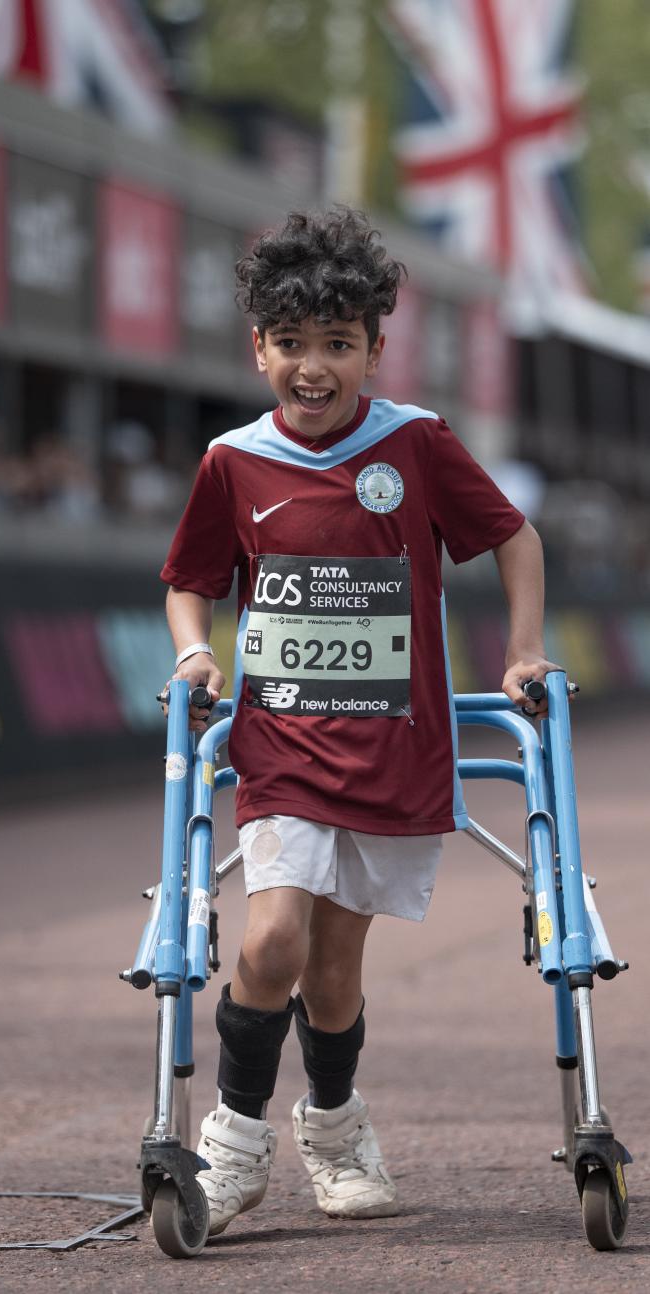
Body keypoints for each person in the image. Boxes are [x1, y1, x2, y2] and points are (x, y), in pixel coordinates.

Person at [159, 207, 558, 1236]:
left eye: (338, 344)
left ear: (375, 349)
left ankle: (333, 1129)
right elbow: (190, 580)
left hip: (394, 751)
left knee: (335, 974)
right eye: (291, 344)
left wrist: (523, 650)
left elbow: (514, 538)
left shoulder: (415, 443)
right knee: (274, 938)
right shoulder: (231, 461)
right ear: (259, 347)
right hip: (283, 751)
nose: (313, 366)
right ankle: (235, 1143)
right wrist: (195, 650)